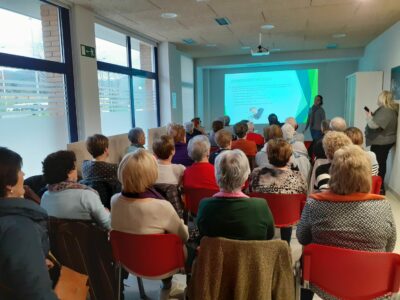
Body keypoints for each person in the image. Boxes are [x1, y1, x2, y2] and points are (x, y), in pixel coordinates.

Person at [297, 145, 396, 300]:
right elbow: (389, 247)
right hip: (370, 281)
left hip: (325, 281)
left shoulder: (314, 204)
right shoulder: (383, 205)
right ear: (366, 175)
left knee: (304, 262)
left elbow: (302, 238)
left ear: (333, 173)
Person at [111, 149, 189, 290]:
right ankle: (173, 290)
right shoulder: (161, 206)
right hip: (164, 264)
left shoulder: (114, 201)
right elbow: (183, 236)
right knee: (188, 250)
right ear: (151, 173)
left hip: (129, 261)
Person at [0, 147, 57, 300]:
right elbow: (37, 293)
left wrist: (33, 259)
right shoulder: (20, 228)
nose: (24, 174)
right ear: (8, 184)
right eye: (20, 170)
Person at [197, 149, 275, 241]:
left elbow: (203, 234)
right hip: (251, 255)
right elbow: (269, 235)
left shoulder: (205, 206)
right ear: (245, 176)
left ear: (216, 175)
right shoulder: (260, 206)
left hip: (218, 255)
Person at [250, 139, 307, 243]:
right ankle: (286, 243)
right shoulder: (298, 177)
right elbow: (303, 197)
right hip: (289, 217)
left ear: (268, 156)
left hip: (262, 216)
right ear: (289, 157)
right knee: (287, 207)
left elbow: (251, 192)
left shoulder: (256, 174)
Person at [41, 150, 111, 230]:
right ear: (68, 172)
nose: (76, 171)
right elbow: (108, 225)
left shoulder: (45, 196)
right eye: (75, 167)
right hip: (89, 241)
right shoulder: (85, 195)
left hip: (54, 242)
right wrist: (108, 213)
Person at [365, 90, 399, 193]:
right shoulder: (390, 110)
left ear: (382, 98)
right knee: (380, 163)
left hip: (382, 142)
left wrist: (369, 118)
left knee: (378, 164)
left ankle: (379, 188)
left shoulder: (386, 110)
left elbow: (374, 125)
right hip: (384, 141)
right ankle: (379, 187)